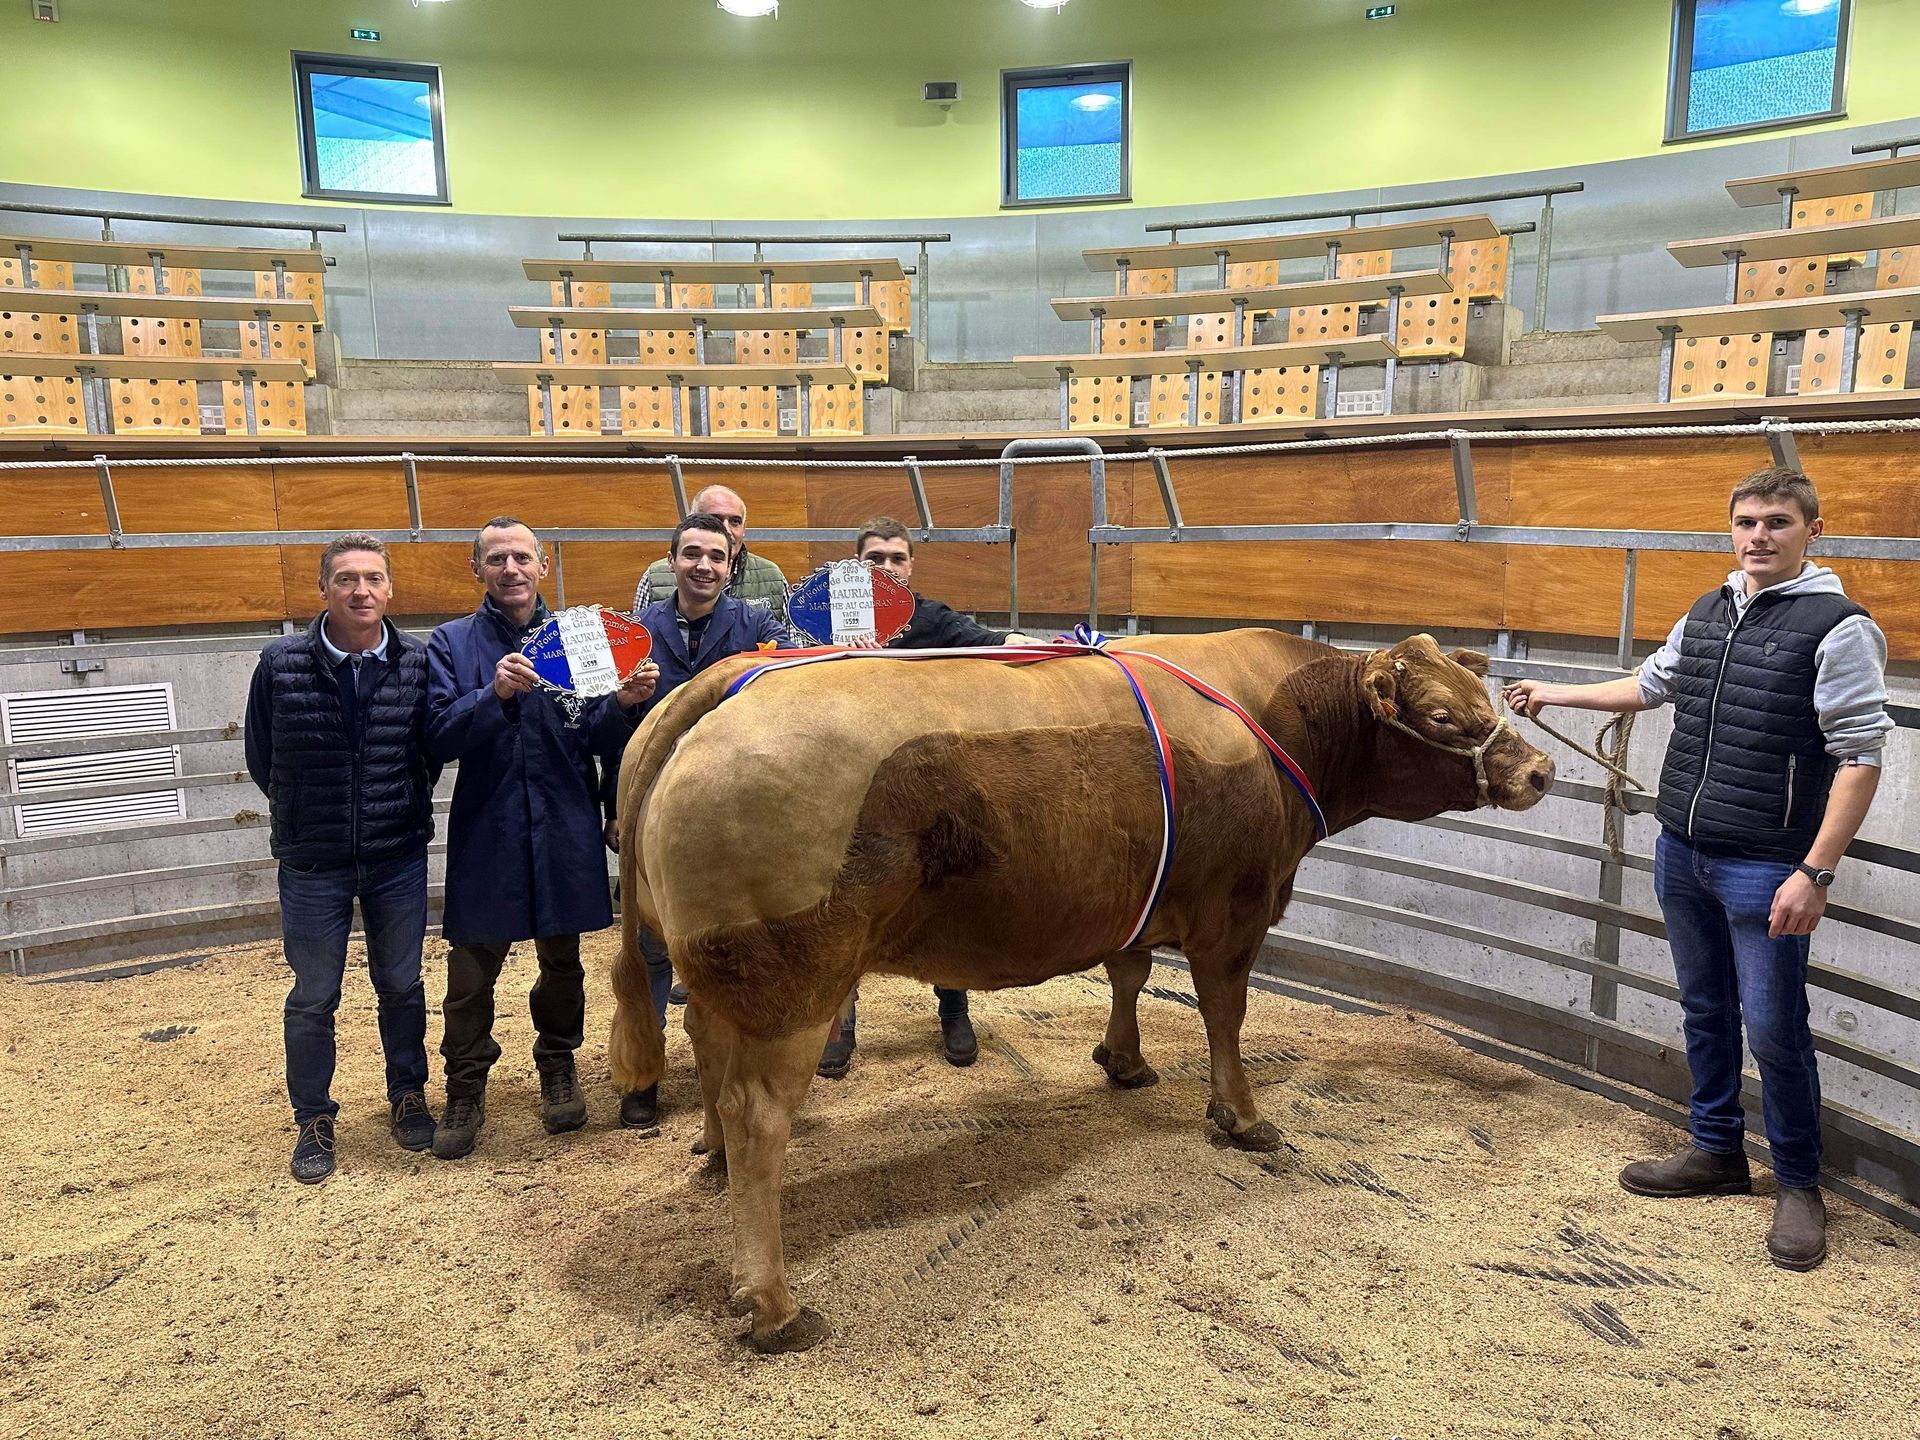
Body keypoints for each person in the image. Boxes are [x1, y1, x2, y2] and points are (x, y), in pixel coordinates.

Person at [1506, 466, 1890, 1272]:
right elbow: (1651, 686)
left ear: (1812, 533)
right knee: (1705, 1008)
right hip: (1682, 847)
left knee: (1776, 1028)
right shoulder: (1709, 610)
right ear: (1731, 529)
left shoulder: (1838, 626)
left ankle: (1796, 1183)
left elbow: (1859, 757)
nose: (1759, 535)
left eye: (1778, 522)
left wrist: (1814, 874)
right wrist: (1555, 694)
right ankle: (1715, 1151)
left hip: (1767, 863)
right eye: (1747, 521)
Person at [425, 517, 658, 1159]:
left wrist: (626, 704)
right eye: (496, 559)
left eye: (522, 557)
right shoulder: (450, 643)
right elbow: (438, 737)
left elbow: (600, 741)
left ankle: (558, 1067)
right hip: (489, 827)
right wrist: (492, 694)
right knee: (471, 974)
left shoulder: (581, 640)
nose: (511, 569)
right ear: (478, 571)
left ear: (542, 567)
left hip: (561, 821)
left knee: (563, 963)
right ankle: (465, 1087)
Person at [244, 534, 441, 1184]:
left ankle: (407, 1094)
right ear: (323, 588)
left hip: (395, 857)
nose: (362, 590)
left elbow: (429, 751)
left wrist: (392, 809)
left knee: (402, 984)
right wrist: (307, 814)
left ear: (389, 589)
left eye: (374, 578)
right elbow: (261, 757)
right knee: (313, 997)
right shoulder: (280, 664)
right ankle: (314, 1119)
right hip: (313, 863)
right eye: (348, 578)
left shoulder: (415, 663)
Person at [815, 516, 1032, 1080]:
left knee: (942, 894)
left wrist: (1044, 644)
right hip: (846, 788)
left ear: (910, 567)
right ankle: (840, 1023)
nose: (885, 568)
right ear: (854, 568)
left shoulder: (930, 617)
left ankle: (954, 1011)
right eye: (873, 559)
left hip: (924, 792)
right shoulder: (825, 618)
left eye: (895, 558)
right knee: (843, 904)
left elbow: (987, 642)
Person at [611, 512, 793, 1129]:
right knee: (651, 943)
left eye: (716, 556)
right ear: (670, 562)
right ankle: (646, 1072)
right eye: (691, 554)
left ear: (731, 564)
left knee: (733, 942)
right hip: (651, 808)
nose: (703, 567)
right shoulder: (634, 635)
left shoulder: (759, 627)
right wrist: (621, 703)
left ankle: (739, 1077)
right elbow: (600, 730)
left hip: (734, 814)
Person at [632, 484, 788, 626]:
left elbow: (794, 648)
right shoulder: (654, 578)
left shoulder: (772, 576)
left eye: (735, 521)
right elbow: (638, 637)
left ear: (744, 528)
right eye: (715, 520)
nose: (726, 530)